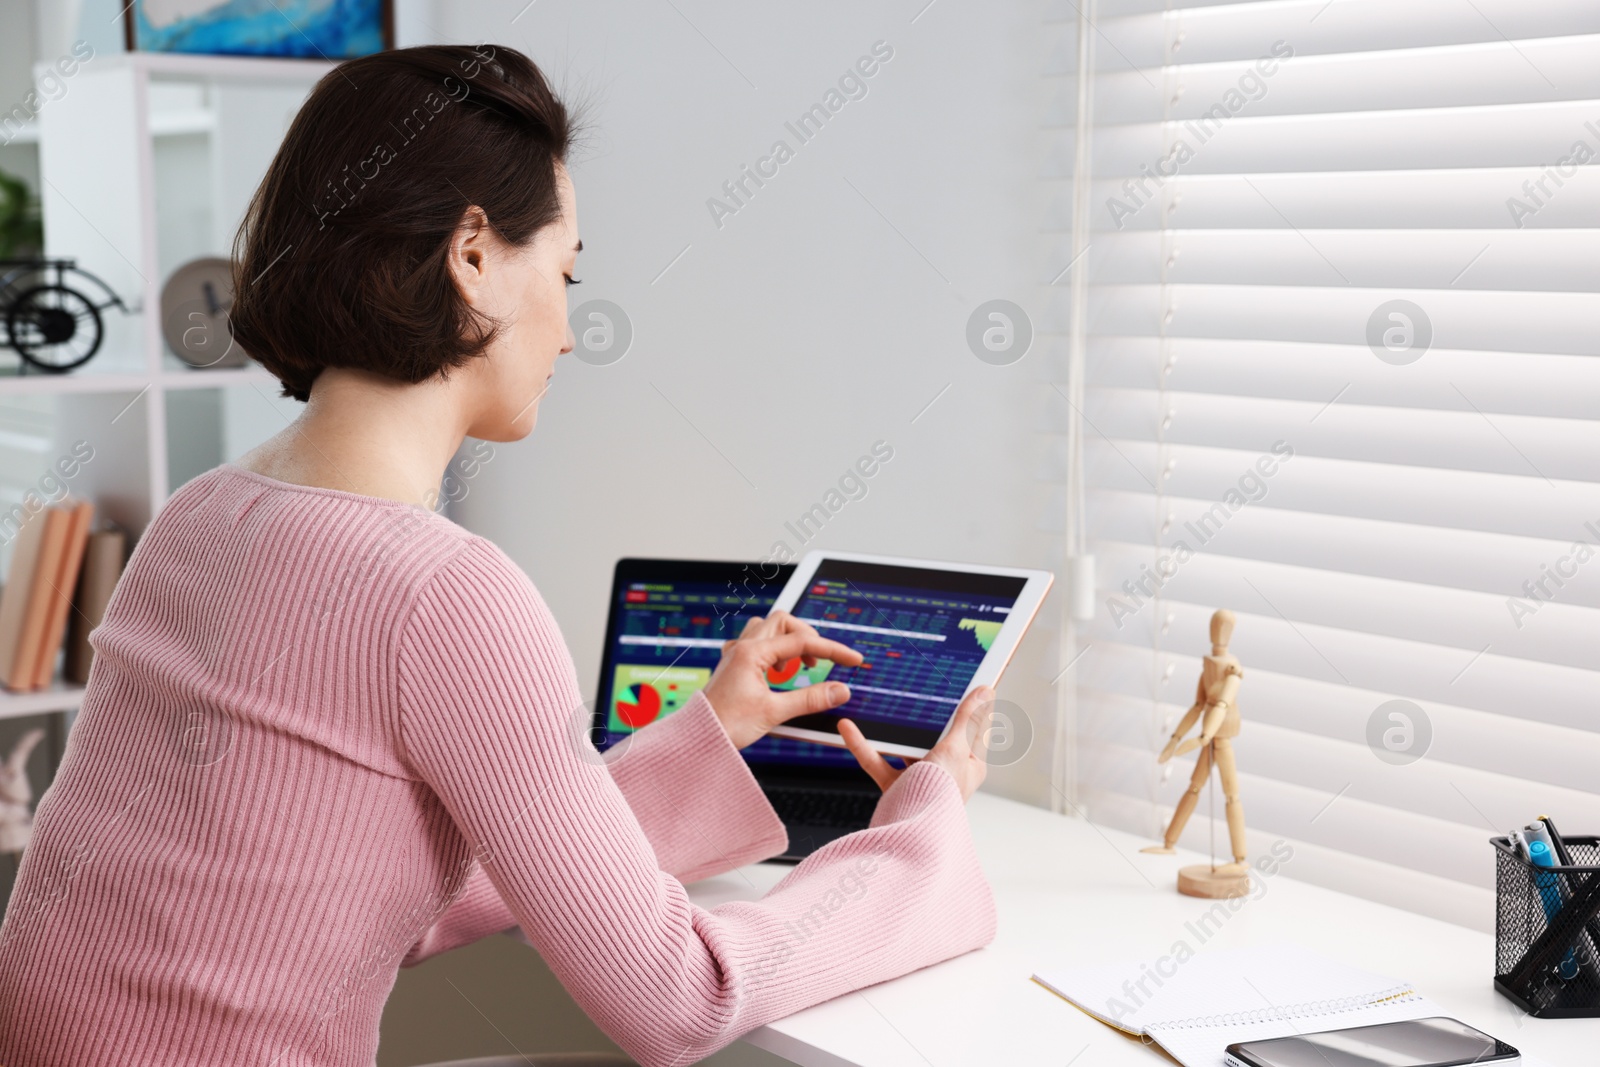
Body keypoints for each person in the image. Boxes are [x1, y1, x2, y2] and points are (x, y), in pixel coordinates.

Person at [0, 44, 998, 1067]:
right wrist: (920, 830)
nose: (567, 330)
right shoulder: (445, 592)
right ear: (472, 253)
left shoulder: (201, 515)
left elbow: (333, 890)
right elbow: (678, 998)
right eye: (565, 273)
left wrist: (707, 736)